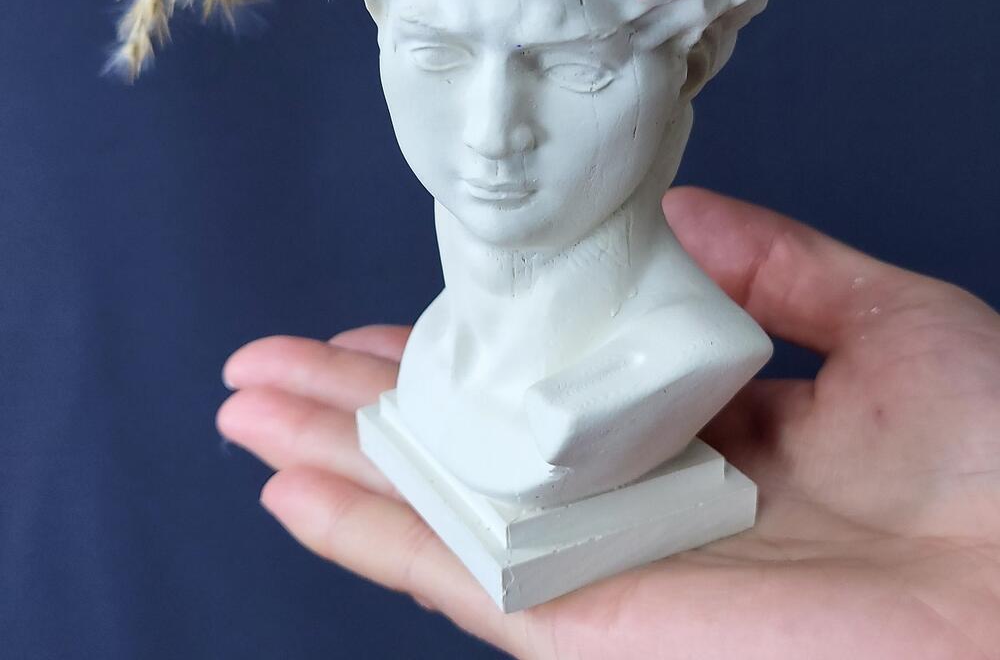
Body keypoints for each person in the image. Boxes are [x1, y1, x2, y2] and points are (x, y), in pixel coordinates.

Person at [218, 186, 1000, 659]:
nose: (491, 125)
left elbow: (706, 347)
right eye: (438, 55)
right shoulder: (449, 318)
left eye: (576, 67)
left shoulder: (684, 345)